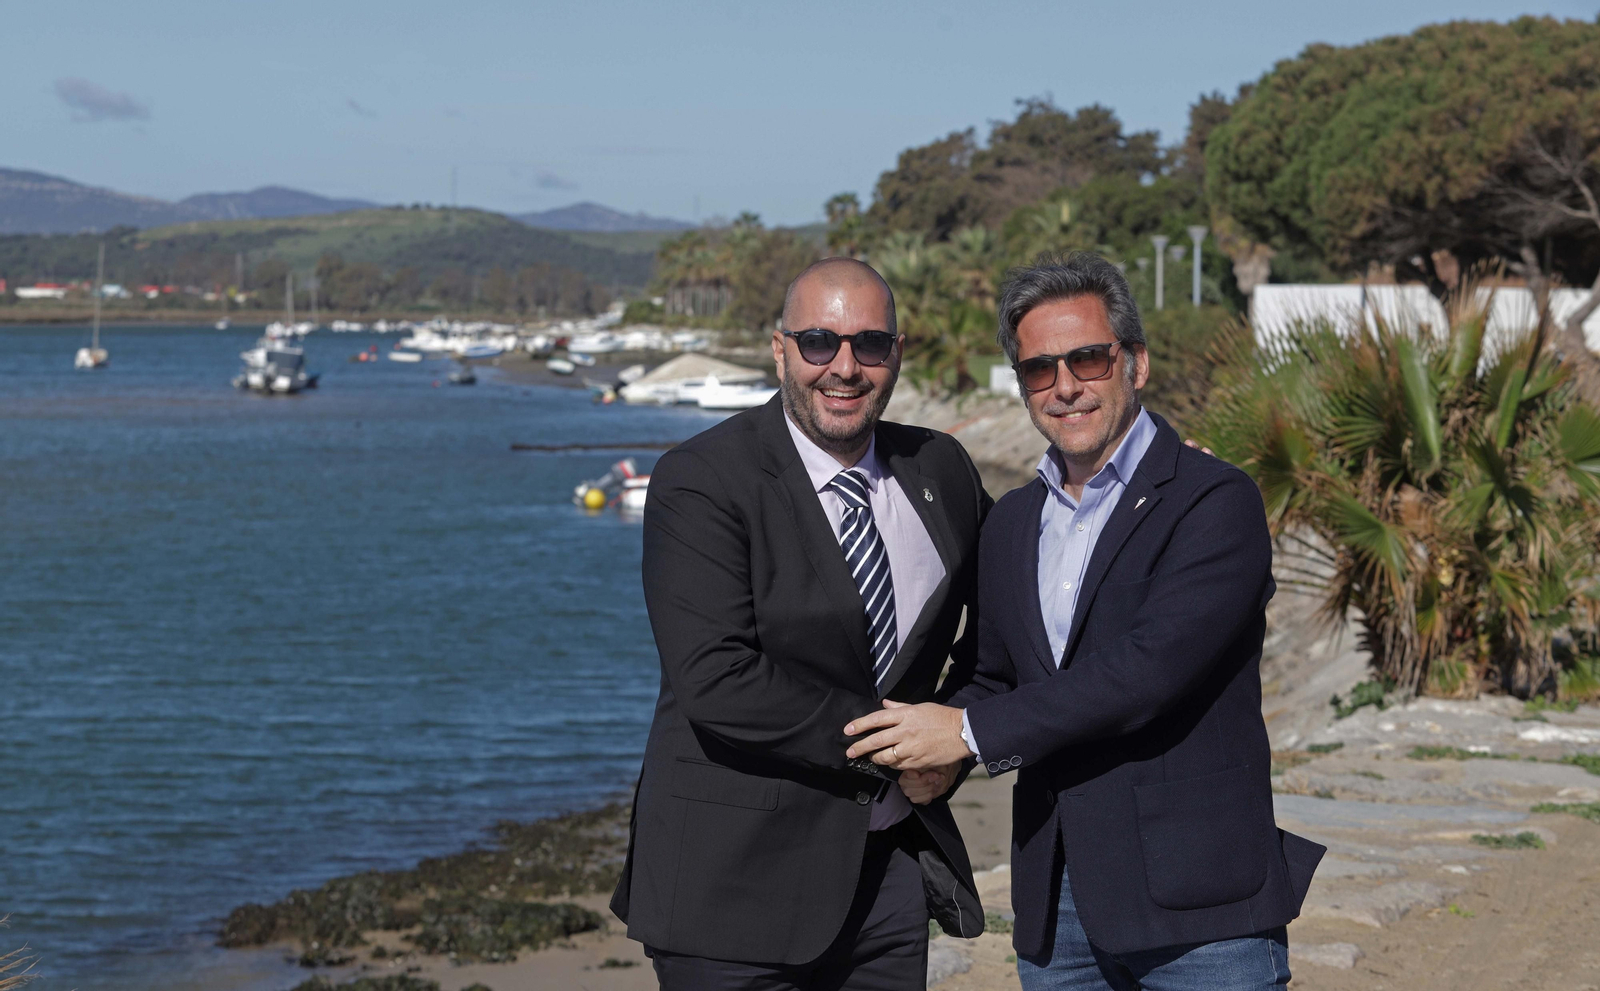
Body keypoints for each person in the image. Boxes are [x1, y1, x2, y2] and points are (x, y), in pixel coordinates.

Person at [843, 253, 1325, 990]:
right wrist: (943, 749)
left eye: (1087, 358)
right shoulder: (1011, 522)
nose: (1065, 385)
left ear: (1136, 362)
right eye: (1039, 368)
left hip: (1201, 902)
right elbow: (996, 674)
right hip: (1057, 899)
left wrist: (968, 733)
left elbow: (1147, 671)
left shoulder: (1213, 501)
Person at [612, 257, 992, 990]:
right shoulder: (702, 479)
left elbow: (1009, 617)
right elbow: (718, 679)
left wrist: (961, 738)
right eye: (820, 341)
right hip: (730, 890)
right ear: (780, 349)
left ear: (897, 353)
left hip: (886, 886)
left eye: (870, 345)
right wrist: (900, 747)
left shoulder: (940, 468)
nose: (844, 367)